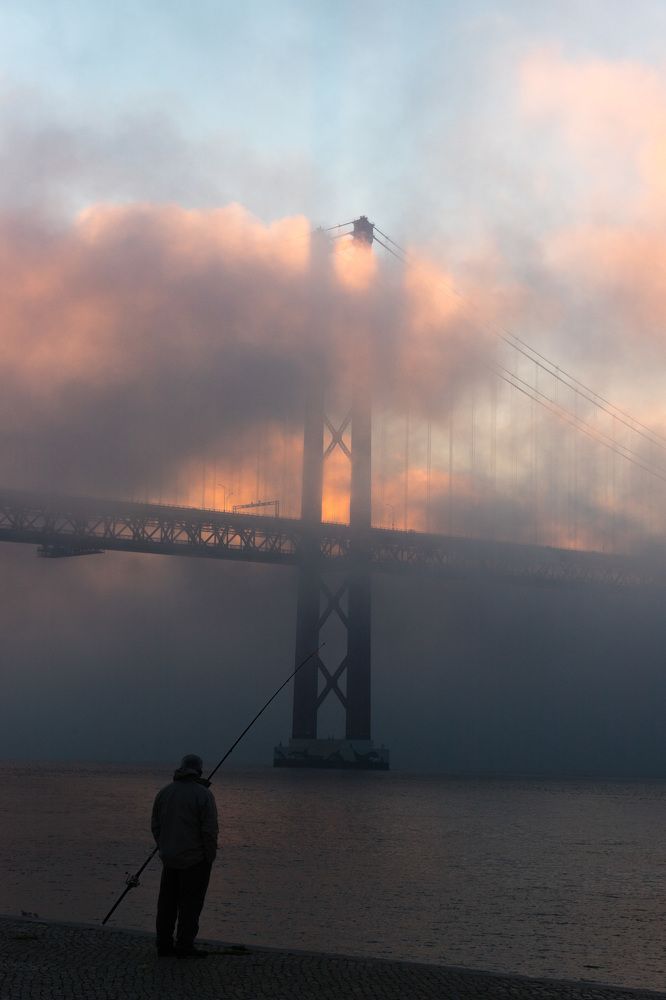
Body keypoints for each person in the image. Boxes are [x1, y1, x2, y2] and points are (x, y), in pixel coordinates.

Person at [151, 753, 218, 958]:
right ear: (199, 770)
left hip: (169, 858)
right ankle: (184, 946)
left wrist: (164, 846)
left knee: (167, 904)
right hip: (195, 860)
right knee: (190, 905)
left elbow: (155, 826)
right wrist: (209, 857)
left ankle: (163, 944)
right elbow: (209, 831)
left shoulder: (165, 793)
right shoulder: (204, 795)